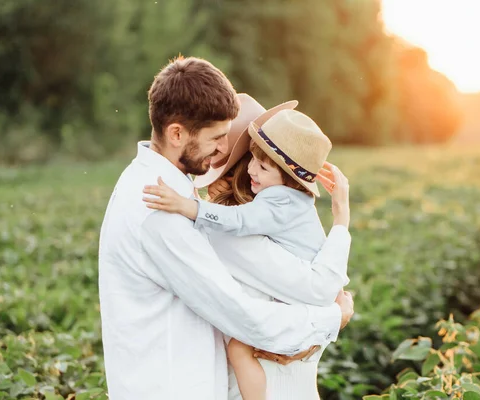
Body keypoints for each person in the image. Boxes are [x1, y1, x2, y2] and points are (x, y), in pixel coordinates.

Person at [98, 56, 354, 400]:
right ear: (177, 133)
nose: (222, 151)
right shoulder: (157, 209)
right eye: (218, 138)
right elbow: (243, 314)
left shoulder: (157, 190)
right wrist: (332, 318)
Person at [143, 105, 350, 399]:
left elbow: (322, 290)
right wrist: (337, 315)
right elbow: (330, 292)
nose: (207, 183)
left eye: (219, 167)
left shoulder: (236, 237)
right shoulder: (296, 225)